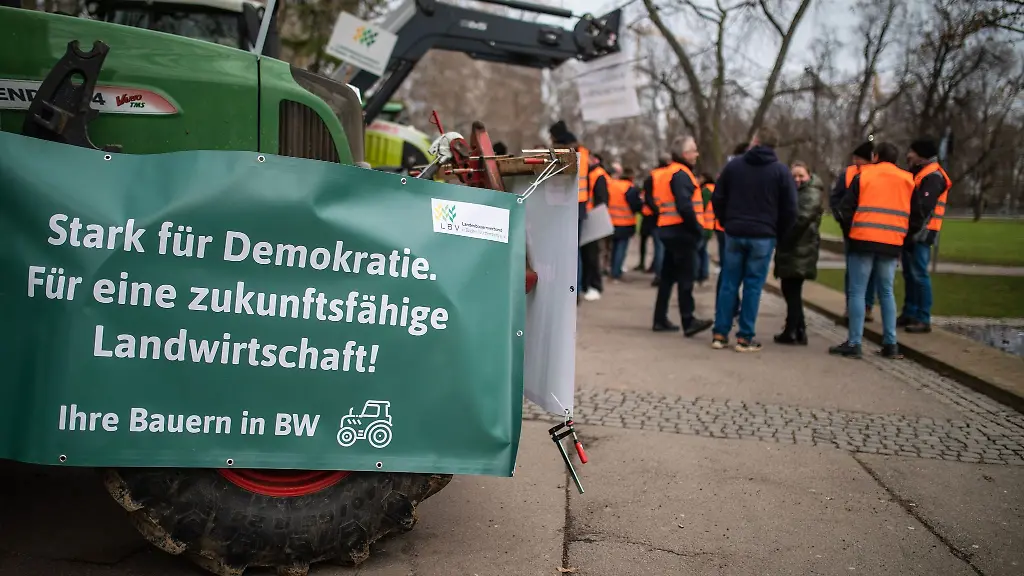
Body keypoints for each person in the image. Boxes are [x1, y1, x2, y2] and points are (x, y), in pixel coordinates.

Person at [710, 126, 797, 352]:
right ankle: (744, 336)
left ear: (755, 141)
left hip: (735, 231)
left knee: (729, 283)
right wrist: (779, 232)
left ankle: (720, 333)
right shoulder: (780, 172)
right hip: (763, 235)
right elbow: (790, 209)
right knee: (753, 287)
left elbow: (717, 196)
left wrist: (726, 221)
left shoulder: (734, 166)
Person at [830, 141, 915, 359]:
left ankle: (855, 343)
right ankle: (890, 343)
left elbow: (844, 209)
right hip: (892, 242)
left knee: (857, 291)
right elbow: (915, 214)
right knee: (886, 292)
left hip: (863, 240)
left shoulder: (864, 176)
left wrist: (852, 231)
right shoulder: (908, 180)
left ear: (875, 156)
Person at [645, 137, 714, 336]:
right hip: (682, 232)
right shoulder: (682, 174)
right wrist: (697, 229)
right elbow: (685, 205)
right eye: (693, 150)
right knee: (686, 277)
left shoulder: (669, 172)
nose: (697, 154)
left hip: (668, 229)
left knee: (667, 277)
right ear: (685, 154)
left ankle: (660, 318)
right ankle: (688, 320)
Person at [900, 138, 951, 334]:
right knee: (910, 274)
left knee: (919, 274)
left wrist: (911, 231)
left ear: (921, 154)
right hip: (913, 232)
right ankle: (910, 312)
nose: (908, 155)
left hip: (922, 232)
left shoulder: (933, 176)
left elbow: (923, 209)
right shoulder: (920, 173)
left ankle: (923, 317)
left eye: (911, 151)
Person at [773, 161, 825, 345]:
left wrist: (783, 237)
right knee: (790, 289)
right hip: (794, 247)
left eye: (801, 175)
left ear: (809, 176)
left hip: (800, 247)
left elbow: (801, 219)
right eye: (794, 176)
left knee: (792, 289)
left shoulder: (811, 192)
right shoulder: (796, 192)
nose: (797, 179)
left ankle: (792, 330)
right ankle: (799, 329)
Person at [830, 141, 878, 325]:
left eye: (859, 158)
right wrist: (840, 218)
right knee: (852, 270)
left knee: (870, 270)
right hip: (851, 229)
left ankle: (866, 306)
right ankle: (851, 306)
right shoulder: (848, 174)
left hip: (871, 229)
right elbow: (836, 198)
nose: (856, 161)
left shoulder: (875, 175)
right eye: (855, 158)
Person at [581, 151, 610, 300]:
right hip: (588, 216)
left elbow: (601, 199)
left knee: (592, 255)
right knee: (587, 255)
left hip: (593, 218)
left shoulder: (598, 174)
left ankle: (595, 285)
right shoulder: (593, 173)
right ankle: (587, 285)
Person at [637, 155, 670, 285]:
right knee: (664, 247)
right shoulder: (672, 174)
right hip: (669, 216)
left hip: (653, 216)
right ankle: (664, 274)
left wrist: (656, 210)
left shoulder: (652, 176)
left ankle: (659, 275)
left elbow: (648, 197)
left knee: (659, 247)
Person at [607, 167, 642, 280]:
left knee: (613, 248)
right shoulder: (629, 188)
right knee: (621, 249)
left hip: (611, 221)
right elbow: (636, 206)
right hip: (625, 223)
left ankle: (612, 270)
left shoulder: (613, 185)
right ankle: (616, 273)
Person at [694, 173, 714, 286]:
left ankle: (697, 274)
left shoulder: (706, 191)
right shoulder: (713, 189)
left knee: (697, 250)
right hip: (710, 224)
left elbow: (702, 206)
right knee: (703, 251)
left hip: (704, 224)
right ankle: (704, 273)